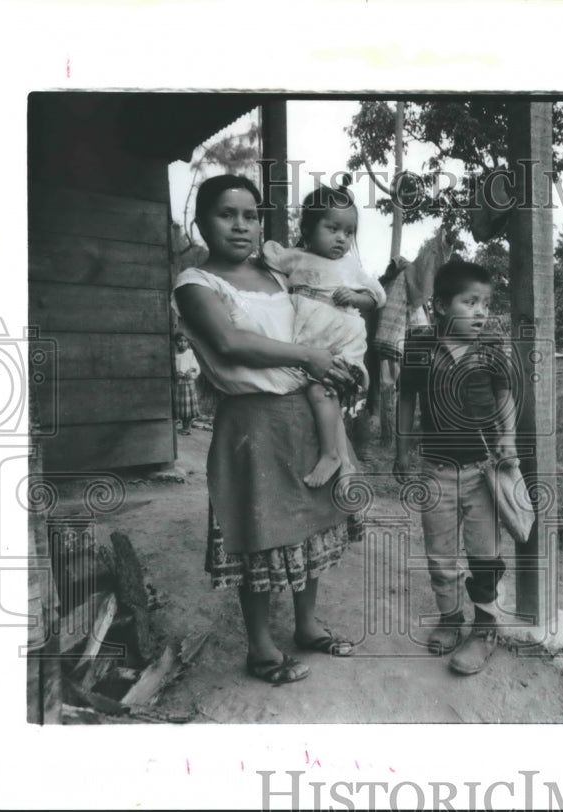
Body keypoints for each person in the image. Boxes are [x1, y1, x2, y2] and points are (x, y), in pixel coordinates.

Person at [172, 174, 358, 686]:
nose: (240, 225)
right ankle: (261, 648)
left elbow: (328, 308)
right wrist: (310, 356)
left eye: (251, 215)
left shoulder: (278, 276)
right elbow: (230, 344)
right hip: (251, 423)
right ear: (201, 222)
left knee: (311, 523)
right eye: (226, 214)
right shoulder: (196, 283)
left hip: (305, 414)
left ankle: (306, 626)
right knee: (257, 531)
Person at [394, 260, 518, 676]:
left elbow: (504, 396)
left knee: (485, 555)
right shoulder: (419, 347)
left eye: (486, 303)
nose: (482, 311)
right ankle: (450, 619)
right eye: (470, 302)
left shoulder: (490, 348)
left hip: (484, 472)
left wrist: (509, 439)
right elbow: (407, 401)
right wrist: (401, 450)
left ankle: (485, 629)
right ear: (442, 306)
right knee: (439, 555)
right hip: (436, 472)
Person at [260, 177, 386, 488]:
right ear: (307, 230)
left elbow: (376, 297)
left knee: (323, 390)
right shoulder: (297, 257)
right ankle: (344, 463)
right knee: (312, 391)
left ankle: (332, 455)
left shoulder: (350, 265)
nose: (342, 238)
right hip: (308, 335)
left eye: (349, 232)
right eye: (333, 228)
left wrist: (356, 298)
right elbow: (268, 257)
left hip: (342, 332)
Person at [174, 332, 200, 434]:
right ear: (176, 342)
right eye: (180, 341)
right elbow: (174, 368)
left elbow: (196, 366)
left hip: (189, 383)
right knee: (183, 407)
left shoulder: (191, 353)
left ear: (188, 342)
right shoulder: (175, 355)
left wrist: (191, 370)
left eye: (185, 341)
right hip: (179, 383)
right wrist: (177, 374)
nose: (183, 343)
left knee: (189, 406)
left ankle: (187, 428)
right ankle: (184, 426)